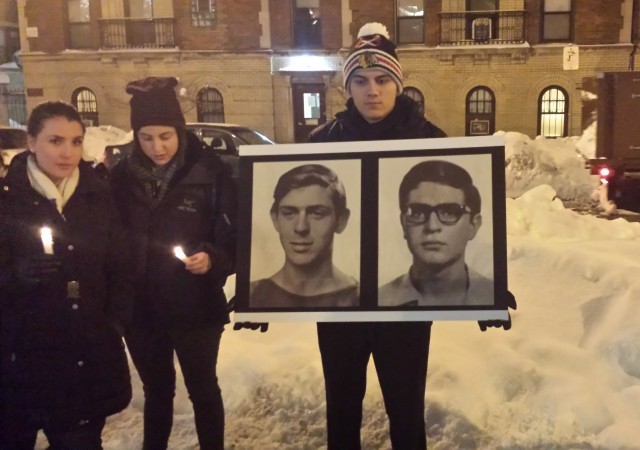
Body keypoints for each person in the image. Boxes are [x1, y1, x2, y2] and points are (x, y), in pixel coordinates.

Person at [307, 22, 515, 449]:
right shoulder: (321, 142)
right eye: (361, 81)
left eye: (383, 80)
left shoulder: (430, 140)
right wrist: (264, 293)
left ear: (397, 83)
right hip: (341, 305)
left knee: (405, 409)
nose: (372, 90)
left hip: (406, 307)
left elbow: (459, 218)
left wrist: (484, 292)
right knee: (341, 407)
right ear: (348, 86)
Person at [109, 76, 237, 450]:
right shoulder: (119, 178)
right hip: (142, 308)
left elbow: (232, 237)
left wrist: (212, 258)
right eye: (146, 137)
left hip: (195, 304)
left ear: (179, 130)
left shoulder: (210, 172)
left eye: (165, 135)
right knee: (156, 390)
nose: (157, 146)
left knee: (202, 388)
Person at [0, 101, 133, 449]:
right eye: (55, 141)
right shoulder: (7, 200)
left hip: (82, 360)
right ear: (31, 142)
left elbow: (120, 267)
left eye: (76, 141)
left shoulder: (98, 197)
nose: (68, 152)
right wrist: (14, 275)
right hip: (19, 362)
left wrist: (114, 323)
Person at [379, 159, 494, 307]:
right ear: (403, 224)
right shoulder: (380, 301)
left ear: (473, 225)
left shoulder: (494, 298)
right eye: (418, 212)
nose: (432, 226)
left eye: (449, 212)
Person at [250, 163, 358, 308]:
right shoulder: (252, 296)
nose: (301, 227)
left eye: (317, 213)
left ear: (341, 220)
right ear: (275, 219)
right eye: (289, 213)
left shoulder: (363, 298)